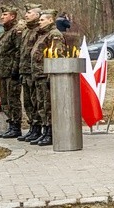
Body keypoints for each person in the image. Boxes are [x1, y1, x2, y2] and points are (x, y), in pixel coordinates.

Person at [30, 9, 65, 146]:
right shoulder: (43, 34)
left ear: (51, 20)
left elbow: (57, 56)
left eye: (42, 20)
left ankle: (50, 132)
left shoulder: (54, 35)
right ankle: (45, 131)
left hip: (46, 75)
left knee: (48, 105)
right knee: (41, 105)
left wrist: (52, 76)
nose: (39, 22)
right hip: (39, 75)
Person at [0, 5, 23, 138]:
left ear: (12, 16)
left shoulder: (15, 31)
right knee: (5, 101)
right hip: (3, 72)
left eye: (5, 15)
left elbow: (18, 52)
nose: (2, 17)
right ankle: (11, 124)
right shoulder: (5, 32)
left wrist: (15, 69)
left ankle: (16, 126)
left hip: (11, 72)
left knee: (13, 100)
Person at [17, 3, 43, 142]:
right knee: (27, 102)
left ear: (37, 15)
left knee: (35, 101)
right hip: (25, 71)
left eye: (30, 13)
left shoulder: (39, 30)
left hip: (34, 71)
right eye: (26, 13)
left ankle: (38, 128)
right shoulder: (27, 30)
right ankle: (33, 127)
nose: (26, 15)